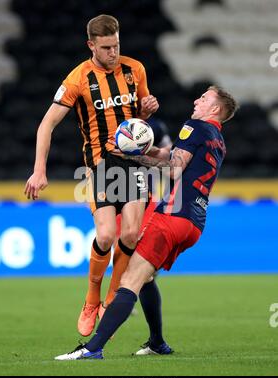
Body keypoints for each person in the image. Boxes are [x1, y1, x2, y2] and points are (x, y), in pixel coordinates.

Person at [54, 85, 238, 360]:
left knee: (131, 279)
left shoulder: (195, 126)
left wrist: (134, 157)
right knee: (148, 278)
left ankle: (93, 348)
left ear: (215, 109)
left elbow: (175, 167)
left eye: (204, 98)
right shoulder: (217, 139)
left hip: (173, 218)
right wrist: (142, 151)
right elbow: (173, 155)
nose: (196, 100)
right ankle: (156, 342)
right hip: (195, 223)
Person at [24, 15, 159, 337]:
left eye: (117, 45)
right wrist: (39, 170)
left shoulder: (134, 69)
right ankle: (91, 299)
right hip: (100, 165)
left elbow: (135, 121)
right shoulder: (77, 79)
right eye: (106, 47)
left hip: (135, 162)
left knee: (130, 235)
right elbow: (46, 124)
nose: (113, 52)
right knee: (105, 236)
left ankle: (112, 296)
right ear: (91, 46)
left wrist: (147, 111)